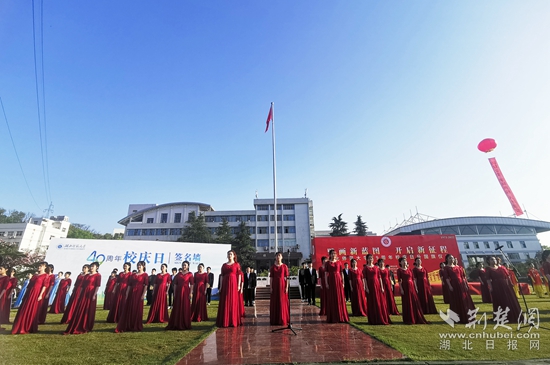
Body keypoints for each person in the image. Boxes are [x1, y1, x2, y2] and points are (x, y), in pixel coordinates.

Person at [11, 262, 49, 334]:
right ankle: (19, 326)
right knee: (24, 309)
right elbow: (29, 285)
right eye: (39, 266)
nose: (39, 267)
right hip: (29, 293)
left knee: (32, 309)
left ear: (45, 267)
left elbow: (44, 286)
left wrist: (40, 295)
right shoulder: (35, 275)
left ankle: (28, 327)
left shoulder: (45, 276)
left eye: (41, 266)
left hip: (36, 293)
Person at [65, 262, 101, 334]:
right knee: (80, 308)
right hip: (84, 293)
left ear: (97, 267)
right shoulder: (87, 275)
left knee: (89, 309)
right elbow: (82, 286)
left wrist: (94, 294)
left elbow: (97, 286)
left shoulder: (98, 275)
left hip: (91, 293)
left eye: (93, 266)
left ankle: (86, 325)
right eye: (91, 266)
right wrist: (79, 294)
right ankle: (77, 324)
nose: (91, 267)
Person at [485, 256, 523, 323]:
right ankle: (503, 316)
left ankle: (513, 314)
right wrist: (490, 287)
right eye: (491, 259)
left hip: (505, 285)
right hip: (496, 286)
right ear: (488, 261)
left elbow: (507, 276)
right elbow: (488, 279)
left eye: (494, 259)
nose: (494, 260)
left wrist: (510, 283)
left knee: (508, 299)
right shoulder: (488, 269)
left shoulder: (502, 268)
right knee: (501, 300)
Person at [115, 261, 148, 332]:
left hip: (139, 293)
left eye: (140, 265)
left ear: (143, 267)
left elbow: (145, 286)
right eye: (138, 265)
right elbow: (129, 285)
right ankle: (128, 323)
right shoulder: (133, 275)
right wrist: (127, 293)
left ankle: (136, 324)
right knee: (130, 307)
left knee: (137, 308)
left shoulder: (145, 275)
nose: (139, 266)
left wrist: (143, 295)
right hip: (131, 293)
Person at [442, 254, 475, 324]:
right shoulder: (446, 268)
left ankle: (466, 315)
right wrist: (450, 286)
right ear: (447, 259)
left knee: (464, 299)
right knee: (455, 300)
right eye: (450, 258)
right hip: (454, 284)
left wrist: (466, 284)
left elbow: (463, 277)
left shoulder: (459, 267)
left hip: (461, 285)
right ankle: (456, 316)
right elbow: (447, 278)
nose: (452, 259)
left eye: (452, 258)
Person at [397, 258, 428, 324]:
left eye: (405, 261)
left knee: (414, 301)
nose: (404, 262)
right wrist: (401, 289)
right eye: (403, 261)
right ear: (400, 263)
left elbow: (413, 279)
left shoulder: (410, 269)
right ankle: (408, 318)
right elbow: (399, 281)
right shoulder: (399, 270)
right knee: (407, 302)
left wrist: (416, 287)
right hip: (405, 286)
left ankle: (415, 316)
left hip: (412, 286)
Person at [216, 250, 242, 327]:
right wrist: (220, 286)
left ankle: (233, 320)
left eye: (231, 254)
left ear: (234, 255)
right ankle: (225, 320)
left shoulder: (237, 264)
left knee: (233, 300)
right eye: (228, 254)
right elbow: (222, 276)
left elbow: (239, 275)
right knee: (225, 300)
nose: (229, 255)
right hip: (225, 284)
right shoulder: (224, 265)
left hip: (234, 283)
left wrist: (239, 285)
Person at [363, 254, 391, 325]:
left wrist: (381, 287)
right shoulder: (365, 268)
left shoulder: (376, 268)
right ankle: (373, 319)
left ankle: (380, 317)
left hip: (377, 285)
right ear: (367, 259)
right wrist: (366, 287)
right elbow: (365, 279)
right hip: (370, 286)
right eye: (369, 258)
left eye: (371, 258)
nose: (371, 259)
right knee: (372, 302)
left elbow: (379, 278)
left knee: (379, 301)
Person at [166, 261, 194, 330]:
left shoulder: (190, 274)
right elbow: (175, 284)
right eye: (183, 265)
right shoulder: (179, 274)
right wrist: (175, 293)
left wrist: (190, 293)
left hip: (186, 292)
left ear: (188, 266)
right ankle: (176, 323)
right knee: (177, 306)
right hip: (178, 292)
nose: (184, 266)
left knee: (185, 306)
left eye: (185, 265)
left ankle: (185, 323)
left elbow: (192, 284)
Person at [324, 249, 349, 323]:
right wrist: (326, 283)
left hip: (338, 280)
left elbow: (341, 273)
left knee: (339, 297)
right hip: (331, 280)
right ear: (330, 255)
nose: (333, 255)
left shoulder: (339, 262)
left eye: (334, 253)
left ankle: (341, 315)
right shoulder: (328, 263)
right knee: (332, 297)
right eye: (332, 253)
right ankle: (333, 316)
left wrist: (343, 282)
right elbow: (326, 274)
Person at [270, 252, 289, 325]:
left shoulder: (284, 266)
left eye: (279, 256)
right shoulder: (273, 267)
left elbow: (287, 277)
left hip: (282, 285)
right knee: (275, 301)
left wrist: (286, 287)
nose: (278, 257)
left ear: (282, 257)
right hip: (275, 285)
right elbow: (271, 278)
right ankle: (275, 319)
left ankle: (283, 318)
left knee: (282, 301)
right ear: (275, 257)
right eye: (277, 256)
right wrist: (271, 287)